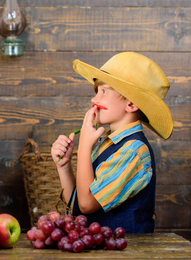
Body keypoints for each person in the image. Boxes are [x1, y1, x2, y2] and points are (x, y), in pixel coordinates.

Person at [51, 52, 173, 233]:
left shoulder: (133, 151)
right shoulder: (106, 144)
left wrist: (84, 145)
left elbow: (86, 204)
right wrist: (64, 166)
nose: (94, 99)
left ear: (131, 105)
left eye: (104, 91)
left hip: (128, 252)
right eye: (96, 91)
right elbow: (78, 210)